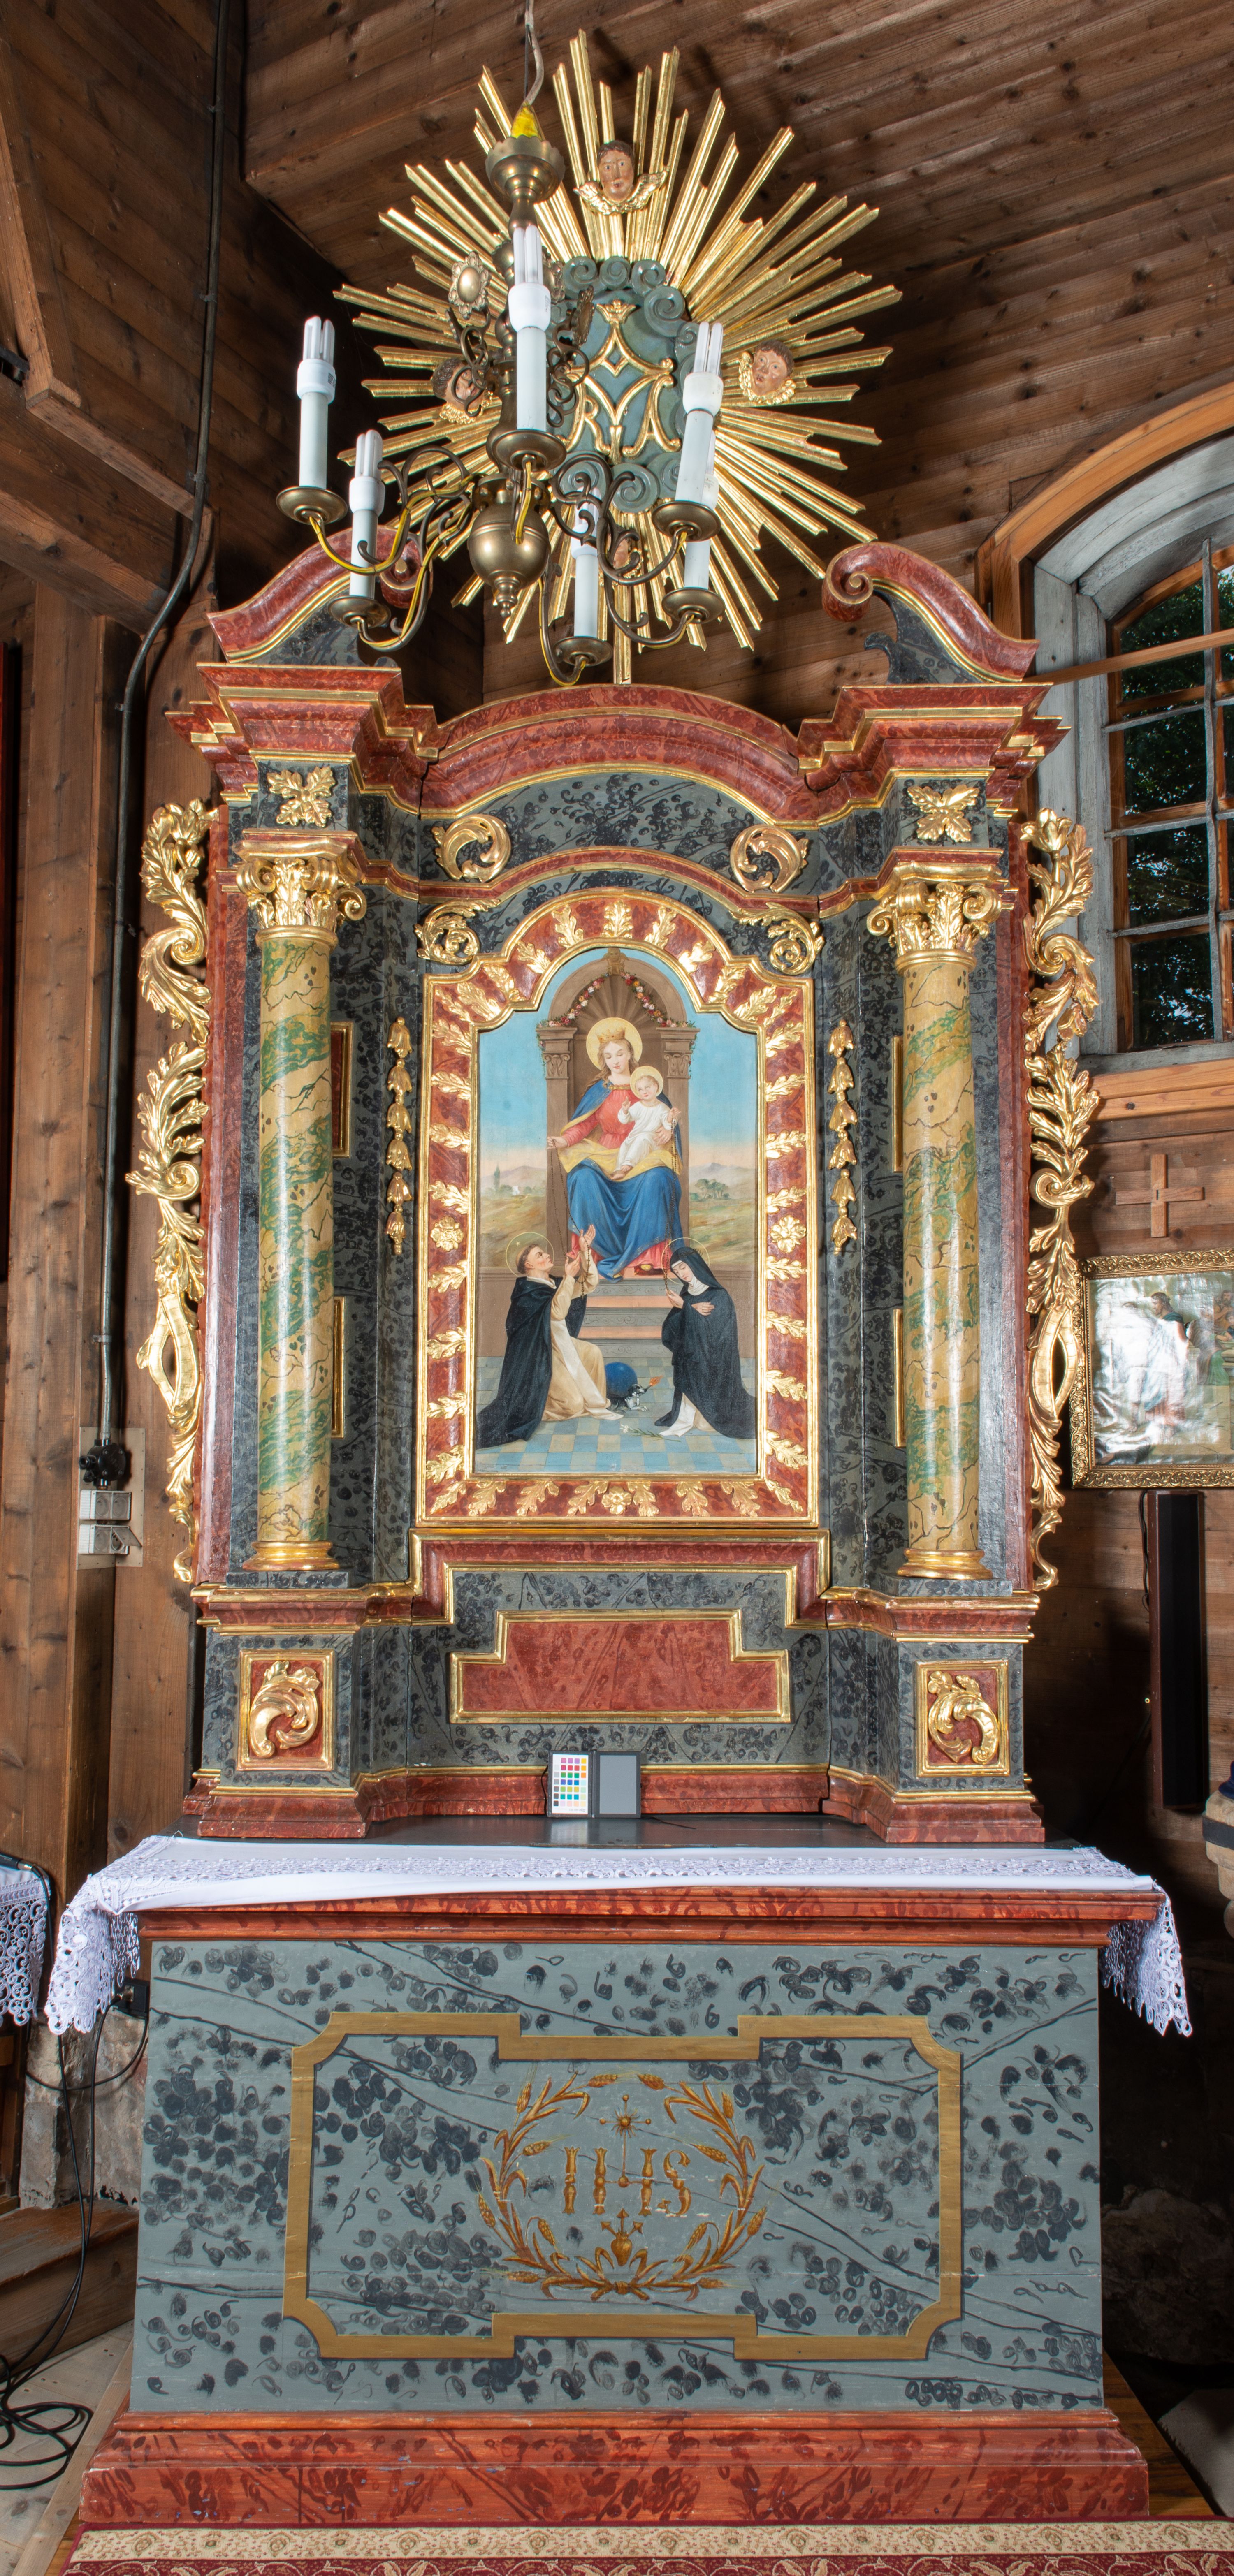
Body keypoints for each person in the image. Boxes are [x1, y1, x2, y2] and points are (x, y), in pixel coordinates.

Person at [548, 1020, 682, 1279]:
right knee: (582, 1177)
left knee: (659, 1178)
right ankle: (591, 1255)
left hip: (644, 1154)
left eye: (620, 1054)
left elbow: (666, 1120)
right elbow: (584, 1124)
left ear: (630, 1053)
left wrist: (669, 1132)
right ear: (603, 1059)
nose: (615, 1061)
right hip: (606, 1154)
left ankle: (648, 1257)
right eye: (609, 1056)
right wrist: (564, 1141)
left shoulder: (646, 1086)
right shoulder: (599, 1090)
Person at [476, 1228, 612, 1448]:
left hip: (561, 1345)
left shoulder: (553, 1284)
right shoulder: (526, 1294)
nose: (547, 1256)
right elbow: (558, 1312)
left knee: (593, 1352)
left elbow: (589, 1284)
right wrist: (569, 1278)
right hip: (542, 1355)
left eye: (544, 1253)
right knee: (574, 1404)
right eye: (540, 1255)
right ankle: (539, 1404)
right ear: (529, 1265)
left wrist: (585, 1250)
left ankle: (590, 1398)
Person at [655, 1246, 756, 1441]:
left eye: (683, 1267)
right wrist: (689, 1308)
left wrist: (686, 1308)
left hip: (714, 1367)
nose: (682, 1274)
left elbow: (715, 1335)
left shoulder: (719, 1296)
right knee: (698, 1421)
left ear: (694, 1264)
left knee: (704, 1424)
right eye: (676, 1271)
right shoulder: (687, 1296)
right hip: (692, 1365)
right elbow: (670, 1330)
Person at [614, 1067, 675, 1175]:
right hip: (636, 1137)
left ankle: (629, 1163)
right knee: (626, 1144)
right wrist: (625, 1110)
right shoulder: (638, 1106)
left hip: (653, 1140)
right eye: (641, 1090)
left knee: (643, 1138)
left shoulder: (662, 1108)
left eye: (647, 1087)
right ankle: (619, 1170)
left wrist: (670, 1117)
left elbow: (667, 1124)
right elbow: (626, 1119)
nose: (645, 1092)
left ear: (656, 1087)